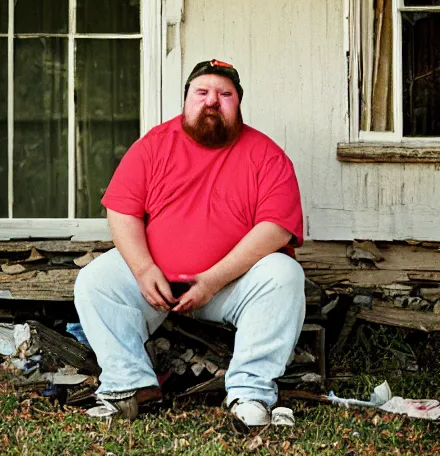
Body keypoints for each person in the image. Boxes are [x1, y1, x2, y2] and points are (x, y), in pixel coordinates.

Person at [74, 59, 305, 427]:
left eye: (224, 94)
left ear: (238, 104)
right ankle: (129, 386)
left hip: (231, 286)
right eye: (202, 92)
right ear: (186, 101)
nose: (212, 100)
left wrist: (212, 280)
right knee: (95, 280)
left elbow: (276, 228)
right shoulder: (153, 145)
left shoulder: (267, 155)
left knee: (284, 274)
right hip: (157, 283)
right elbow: (122, 211)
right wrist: (143, 268)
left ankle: (250, 394)